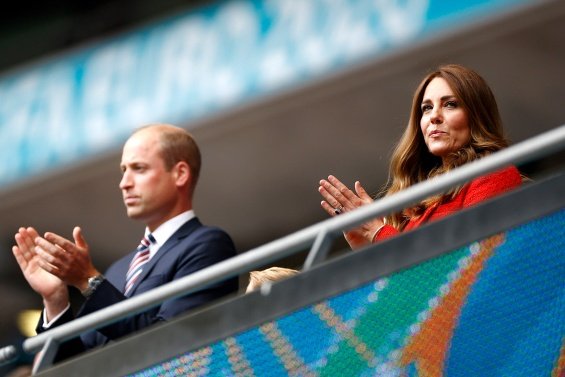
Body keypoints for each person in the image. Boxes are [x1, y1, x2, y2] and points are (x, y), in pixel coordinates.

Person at [12, 124, 238, 362]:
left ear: (180, 174)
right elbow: (77, 366)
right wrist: (55, 300)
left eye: (139, 169)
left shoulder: (207, 244)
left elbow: (173, 341)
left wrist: (88, 281)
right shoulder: (118, 271)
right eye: (123, 170)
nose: (124, 183)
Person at [318, 64, 523, 249]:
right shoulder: (413, 203)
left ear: (477, 116)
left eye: (450, 104)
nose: (434, 116)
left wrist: (378, 233)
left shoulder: (496, 173)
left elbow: (468, 264)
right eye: (427, 108)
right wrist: (366, 246)